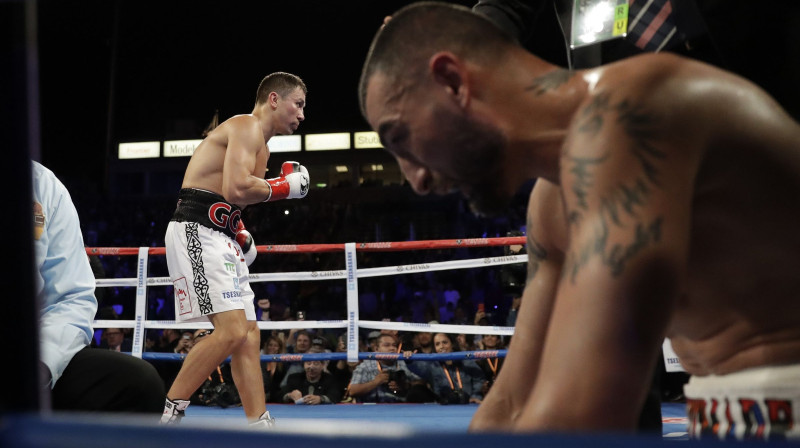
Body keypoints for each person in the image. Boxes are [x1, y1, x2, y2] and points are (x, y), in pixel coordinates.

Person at [358, 2, 800, 438]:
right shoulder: (553, 199)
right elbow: (510, 408)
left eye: (400, 137)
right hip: (725, 415)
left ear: (453, 81)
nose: (413, 179)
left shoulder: (633, 115)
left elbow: (579, 418)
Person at [161, 72, 309, 427]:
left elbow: (231, 200)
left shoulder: (264, 148)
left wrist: (239, 230)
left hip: (221, 234)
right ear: (274, 99)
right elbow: (237, 187)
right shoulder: (246, 125)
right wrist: (284, 187)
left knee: (249, 333)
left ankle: (259, 422)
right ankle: (169, 412)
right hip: (196, 228)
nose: (302, 114)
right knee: (230, 330)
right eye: (298, 104)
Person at [33, 160, 164, 414]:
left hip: (25, 355)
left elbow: (71, 297)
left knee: (138, 385)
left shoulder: (42, 184)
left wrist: (41, 365)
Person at [407, 333, 485, 405]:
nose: (441, 346)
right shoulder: (432, 366)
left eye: (445, 342)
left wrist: (476, 396)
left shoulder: (465, 361)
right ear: (435, 348)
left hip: (468, 404)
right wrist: (409, 359)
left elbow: (479, 378)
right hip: (443, 407)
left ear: (452, 344)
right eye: (437, 344)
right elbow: (418, 367)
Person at [348, 333, 428, 403]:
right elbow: (352, 391)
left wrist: (405, 386)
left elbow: (422, 383)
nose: (392, 348)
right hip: (371, 408)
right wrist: (375, 382)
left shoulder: (403, 363)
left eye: (394, 345)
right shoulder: (366, 365)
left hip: (399, 407)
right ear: (376, 349)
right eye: (387, 345)